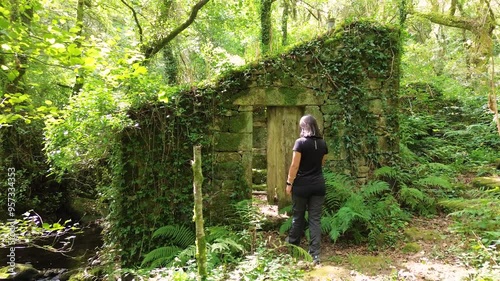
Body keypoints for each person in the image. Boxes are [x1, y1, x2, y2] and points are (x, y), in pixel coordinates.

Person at [285, 114, 328, 265]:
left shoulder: (300, 143)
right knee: (315, 219)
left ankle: (293, 248)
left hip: (301, 186)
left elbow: (294, 165)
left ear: (303, 127)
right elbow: (322, 163)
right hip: (318, 185)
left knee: (298, 216)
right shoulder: (323, 143)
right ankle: (315, 255)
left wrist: (289, 183)